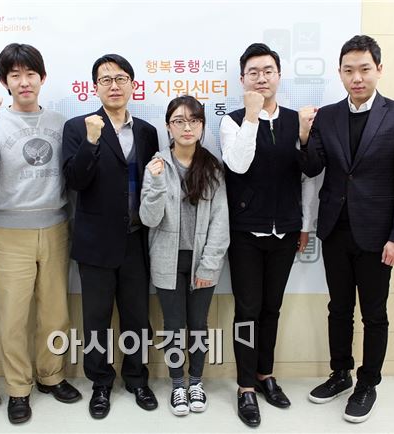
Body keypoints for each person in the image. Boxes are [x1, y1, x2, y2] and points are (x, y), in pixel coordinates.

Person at [300, 35, 394, 423]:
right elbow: (312, 167)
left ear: (378, 70)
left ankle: (368, 383)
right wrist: (304, 136)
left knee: (374, 313)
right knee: (338, 308)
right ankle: (340, 374)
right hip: (335, 230)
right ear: (339, 73)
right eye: (349, 70)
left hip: (378, 235)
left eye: (364, 69)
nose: (357, 77)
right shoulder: (328, 116)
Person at [0, 43, 81, 425]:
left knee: (55, 313)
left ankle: (51, 376)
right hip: (10, 232)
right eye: (15, 75)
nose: (24, 81)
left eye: (30, 73)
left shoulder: (61, 123)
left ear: (42, 77)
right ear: (5, 82)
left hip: (55, 227)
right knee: (14, 317)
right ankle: (18, 388)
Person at [219, 43, 315, 427]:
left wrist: (304, 224)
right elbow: (238, 165)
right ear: (242, 79)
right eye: (253, 72)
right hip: (245, 231)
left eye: (268, 71)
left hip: (286, 230)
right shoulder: (232, 121)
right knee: (247, 310)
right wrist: (252, 117)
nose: (261, 78)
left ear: (279, 75)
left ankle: (265, 375)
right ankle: (245, 385)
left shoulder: (296, 121)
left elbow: (308, 178)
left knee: (271, 308)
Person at [62, 54, 159, 419]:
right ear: (95, 87)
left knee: (137, 316)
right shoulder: (78, 127)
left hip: (135, 239)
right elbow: (75, 180)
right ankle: (100, 382)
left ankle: (136, 378)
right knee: (97, 319)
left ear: (132, 85)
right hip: (95, 241)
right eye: (106, 80)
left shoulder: (146, 131)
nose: (114, 86)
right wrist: (90, 141)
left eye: (121, 79)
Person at [140, 95, 229, 416]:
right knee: (174, 325)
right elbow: (149, 219)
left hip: (202, 261)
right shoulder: (157, 165)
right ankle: (178, 384)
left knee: (198, 325)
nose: (186, 127)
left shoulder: (213, 167)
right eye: (179, 121)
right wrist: (155, 184)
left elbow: (220, 221)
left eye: (194, 121)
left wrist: (209, 265)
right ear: (168, 127)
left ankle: (196, 383)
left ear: (202, 126)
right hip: (167, 259)